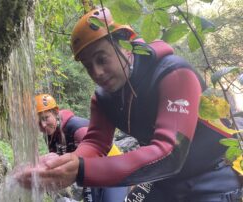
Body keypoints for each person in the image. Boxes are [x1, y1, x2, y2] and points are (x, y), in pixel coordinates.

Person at [14, 7, 242, 202]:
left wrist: (80, 170)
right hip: (166, 180)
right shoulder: (103, 97)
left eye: (102, 59)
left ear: (126, 45)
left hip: (215, 174)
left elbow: (170, 153)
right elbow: (95, 142)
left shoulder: (174, 74)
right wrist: (67, 161)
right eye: (88, 66)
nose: (97, 73)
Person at [33, 93, 129, 202]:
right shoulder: (50, 135)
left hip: (114, 169)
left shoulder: (77, 128)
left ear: (55, 112)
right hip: (93, 172)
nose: (43, 125)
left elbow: (93, 160)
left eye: (46, 118)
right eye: (38, 122)